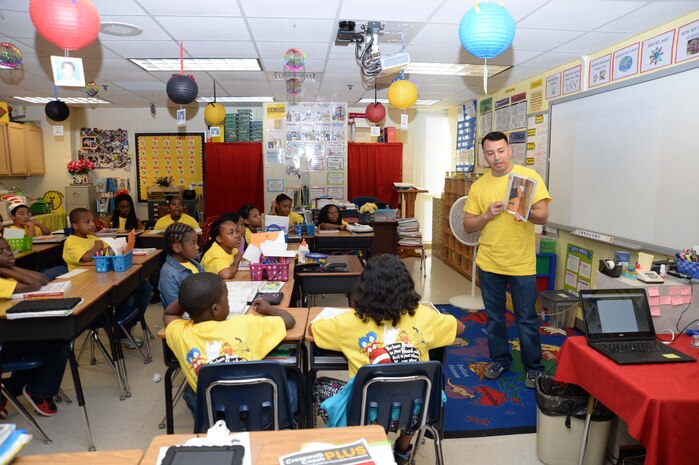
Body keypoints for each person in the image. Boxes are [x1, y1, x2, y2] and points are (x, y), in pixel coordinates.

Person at [310, 254, 464, 465]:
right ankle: (403, 449)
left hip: (367, 412)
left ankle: (362, 446)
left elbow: (313, 330)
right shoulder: (424, 316)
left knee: (316, 385)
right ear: (406, 286)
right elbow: (460, 327)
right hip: (416, 410)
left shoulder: (347, 322)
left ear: (364, 288)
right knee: (414, 385)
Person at [462, 131, 551, 389]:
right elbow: (468, 225)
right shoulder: (479, 186)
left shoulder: (528, 177)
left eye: (500, 151)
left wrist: (524, 211)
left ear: (509, 150)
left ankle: (533, 367)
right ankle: (500, 359)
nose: (496, 157)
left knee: (526, 317)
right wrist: (487, 215)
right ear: (484, 156)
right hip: (489, 262)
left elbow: (543, 215)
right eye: (490, 153)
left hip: (521, 263)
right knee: (494, 317)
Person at [163, 272, 295, 414]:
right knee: (294, 382)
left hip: (211, 416)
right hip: (259, 414)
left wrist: (188, 298)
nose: (228, 301)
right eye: (226, 297)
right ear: (215, 309)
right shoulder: (246, 324)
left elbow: (169, 314)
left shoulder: (181, 334)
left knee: (190, 390)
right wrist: (269, 308)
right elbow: (289, 320)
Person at [0, 237, 69, 417]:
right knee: (57, 342)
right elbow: (34, 284)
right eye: (1, 252)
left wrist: (7, 267)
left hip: (8, 333)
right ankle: (39, 393)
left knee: (49, 338)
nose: (8, 253)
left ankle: (7, 390)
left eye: (8, 249)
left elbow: (42, 279)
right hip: (4, 340)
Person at [63, 208, 150, 348]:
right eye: (87, 222)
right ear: (75, 226)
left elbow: (110, 248)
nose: (92, 224)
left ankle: (129, 324)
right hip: (87, 286)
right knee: (125, 295)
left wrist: (109, 246)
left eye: (92, 220)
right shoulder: (71, 241)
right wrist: (97, 248)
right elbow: (85, 258)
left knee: (143, 287)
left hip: (103, 277)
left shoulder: (92, 237)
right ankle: (121, 333)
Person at [158, 223, 203, 310]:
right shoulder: (168, 275)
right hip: (188, 317)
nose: (197, 247)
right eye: (193, 243)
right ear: (177, 247)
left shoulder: (193, 263)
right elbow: (176, 309)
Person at [200, 214, 242, 280]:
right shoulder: (215, 254)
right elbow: (226, 274)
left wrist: (235, 262)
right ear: (219, 239)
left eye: (237, 231)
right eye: (231, 233)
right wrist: (234, 269)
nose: (237, 235)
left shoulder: (228, 247)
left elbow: (238, 253)